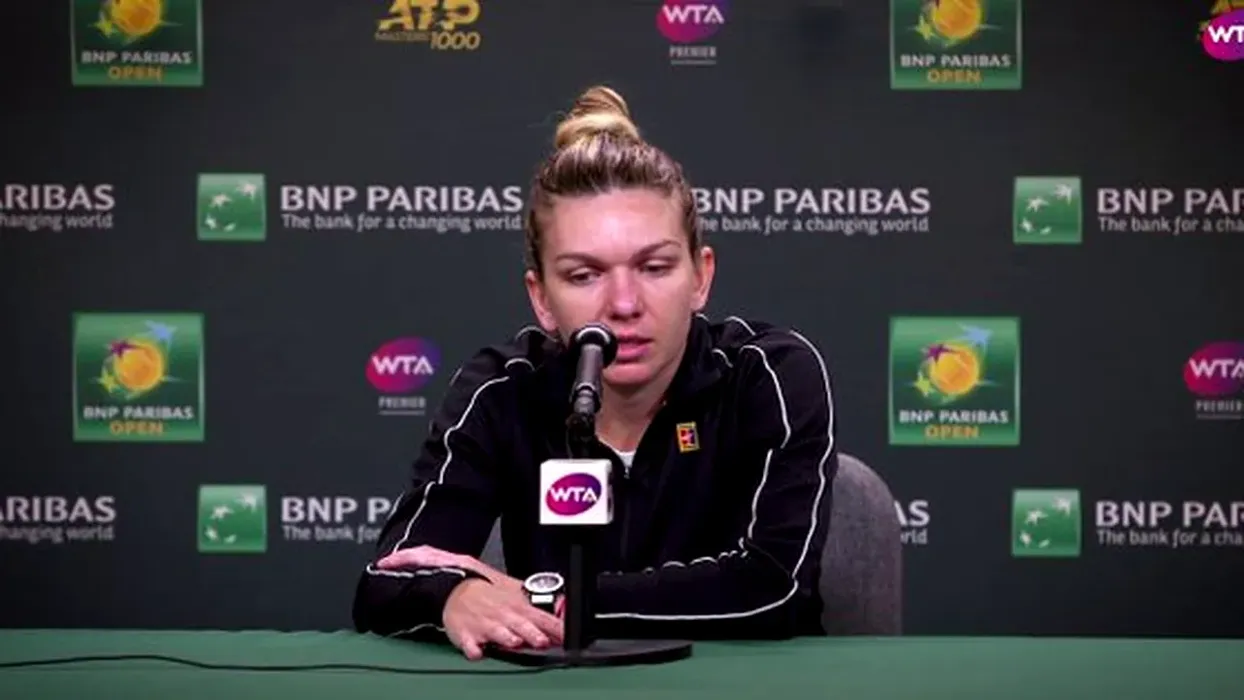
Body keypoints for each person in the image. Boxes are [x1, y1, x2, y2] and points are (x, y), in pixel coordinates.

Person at [352, 85, 838, 660]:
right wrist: (453, 597)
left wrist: (546, 598)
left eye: (654, 267)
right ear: (541, 298)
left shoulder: (769, 373)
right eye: (584, 276)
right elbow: (389, 581)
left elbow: (774, 587)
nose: (624, 304)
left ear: (700, 277)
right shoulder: (504, 389)